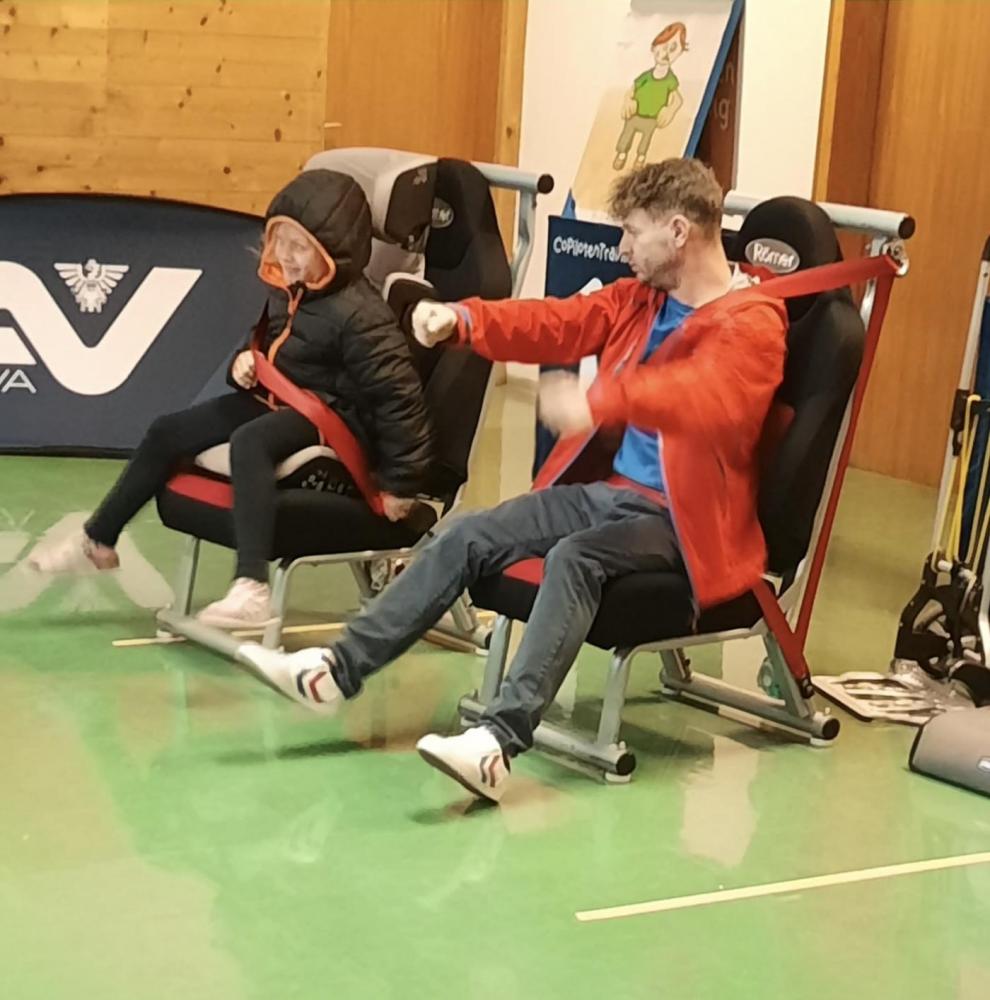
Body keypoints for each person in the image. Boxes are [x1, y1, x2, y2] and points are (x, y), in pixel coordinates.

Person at [238, 157, 789, 803]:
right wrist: (464, 321)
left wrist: (603, 401)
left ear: (676, 232)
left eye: (632, 232)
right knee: (470, 531)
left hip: (685, 523)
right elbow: (555, 322)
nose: (621, 247)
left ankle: (497, 744)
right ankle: (335, 672)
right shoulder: (641, 300)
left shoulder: (754, 323)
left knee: (576, 558)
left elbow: (705, 396)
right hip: (612, 496)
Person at [29, 169, 432, 629]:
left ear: (334, 251)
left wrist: (401, 483)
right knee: (168, 430)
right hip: (280, 400)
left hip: (334, 418)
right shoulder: (290, 291)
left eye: (301, 248)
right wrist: (243, 363)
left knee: (251, 442)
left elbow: (399, 398)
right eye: (282, 242)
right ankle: (98, 541)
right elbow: (269, 345)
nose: (287, 256)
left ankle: (252, 589)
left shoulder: (363, 315)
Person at [613, 21, 687, 171]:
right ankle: (621, 154)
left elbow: (678, 100)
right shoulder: (646, 76)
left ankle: (640, 159)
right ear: (654, 48)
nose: (666, 53)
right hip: (635, 115)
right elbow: (632, 89)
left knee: (645, 140)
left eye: (673, 49)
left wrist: (669, 111)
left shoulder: (670, 80)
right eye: (664, 47)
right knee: (627, 135)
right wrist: (628, 101)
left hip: (651, 118)